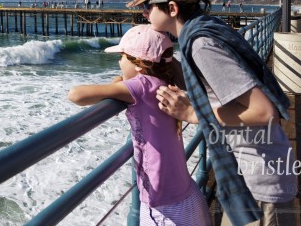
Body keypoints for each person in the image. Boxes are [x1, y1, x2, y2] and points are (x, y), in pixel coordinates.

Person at [127, 0, 296, 226]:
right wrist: (162, 66)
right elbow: (211, 82)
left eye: (149, 6)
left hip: (258, 184)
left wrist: (192, 113)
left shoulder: (201, 45)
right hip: (257, 172)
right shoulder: (207, 30)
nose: (144, 13)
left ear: (172, 8)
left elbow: (264, 112)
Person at [68, 25, 212, 226]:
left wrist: (115, 85)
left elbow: (76, 95)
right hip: (187, 195)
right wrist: (119, 83)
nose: (119, 61)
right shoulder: (164, 80)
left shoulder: (141, 85)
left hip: (163, 207)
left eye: (122, 56)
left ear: (139, 66)